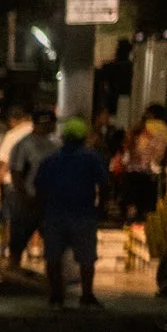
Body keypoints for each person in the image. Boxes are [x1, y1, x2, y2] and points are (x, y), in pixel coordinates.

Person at [32, 117, 107, 308]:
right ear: (83, 138)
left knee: (53, 257)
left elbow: (39, 189)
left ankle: (56, 295)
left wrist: (40, 216)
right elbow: (105, 184)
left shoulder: (50, 160)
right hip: (83, 214)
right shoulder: (91, 158)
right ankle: (87, 295)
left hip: (55, 215)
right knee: (87, 258)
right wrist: (101, 209)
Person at [1, 110, 58, 275]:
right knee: (18, 241)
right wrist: (25, 196)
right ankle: (13, 270)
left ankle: (52, 276)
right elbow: (16, 173)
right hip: (28, 201)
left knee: (52, 242)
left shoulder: (55, 144)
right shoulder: (23, 145)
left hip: (48, 201)